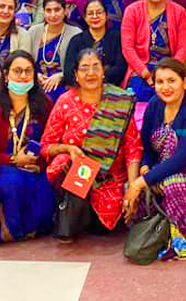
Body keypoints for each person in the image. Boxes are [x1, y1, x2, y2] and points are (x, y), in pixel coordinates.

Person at [42, 49, 143, 242]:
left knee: (107, 218)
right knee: (74, 165)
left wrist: (132, 187)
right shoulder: (65, 102)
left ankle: (79, 219)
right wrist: (68, 149)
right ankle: (68, 221)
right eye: (84, 68)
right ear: (76, 75)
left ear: (104, 72)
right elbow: (46, 145)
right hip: (76, 176)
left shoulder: (119, 101)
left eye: (96, 67)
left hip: (110, 178)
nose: (91, 73)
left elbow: (133, 148)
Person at [130, 58, 186, 259]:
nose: (165, 87)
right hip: (160, 170)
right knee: (131, 189)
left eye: (171, 81)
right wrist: (145, 167)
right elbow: (147, 148)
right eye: (160, 82)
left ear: (184, 82)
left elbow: (182, 158)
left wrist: (142, 182)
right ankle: (155, 231)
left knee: (173, 183)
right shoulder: (154, 105)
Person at [0, 51, 55, 246]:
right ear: (6, 75)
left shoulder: (44, 105)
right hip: (0, 169)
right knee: (13, 182)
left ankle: (29, 226)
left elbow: (51, 141)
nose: (23, 76)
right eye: (17, 71)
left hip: (34, 168)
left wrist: (39, 164)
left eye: (28, 71)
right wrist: (13, 160)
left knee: (46, 193)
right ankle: (7, 227)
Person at [121, 0, 186, 102]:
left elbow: (183, 48)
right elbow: (127, 48)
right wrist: (146, 74)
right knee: (138, 97)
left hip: (171, 68)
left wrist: (170, 72)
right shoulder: (132, 11)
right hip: (141, 69)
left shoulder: (179, 12)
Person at [28, 0, 82, 102]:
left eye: (57, 10)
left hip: (64, 84)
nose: (53, 15)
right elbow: (25, 59)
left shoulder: (75, 33)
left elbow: (79, 64)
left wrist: (61, 76)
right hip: (36, 82)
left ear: (65, 11)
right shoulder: (34, 31)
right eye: (48, 10)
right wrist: (35, 75)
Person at [62, 0, 127, 87]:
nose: (95, 16)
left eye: (99, 13)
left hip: (110, 86)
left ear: (106, 15)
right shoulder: (76, 40)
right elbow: (69, 71)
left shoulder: (117, 37)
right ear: (85, 17)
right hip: (82, 87)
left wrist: (99, 79)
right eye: (90, 14)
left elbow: (120, 67)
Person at [0, 0, 32, 65]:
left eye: (10, 8)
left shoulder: (22, 35)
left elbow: (23, 64)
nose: (5, 11)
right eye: (2, 6)